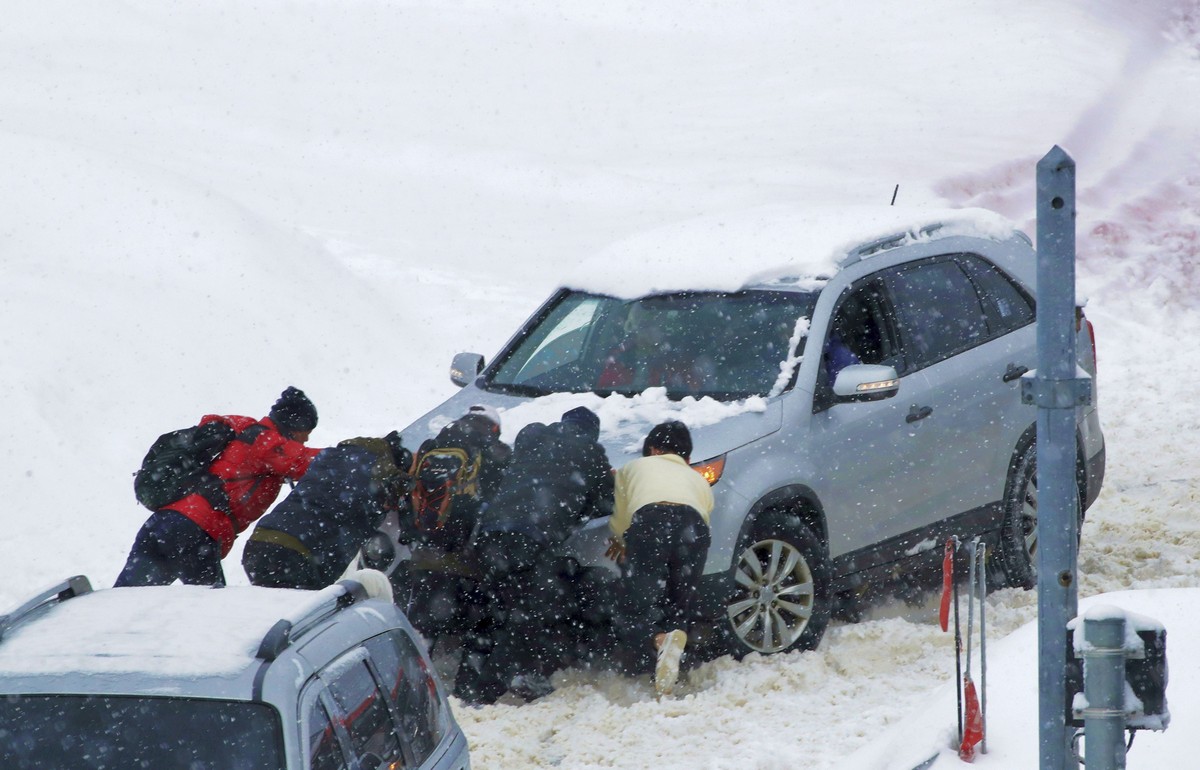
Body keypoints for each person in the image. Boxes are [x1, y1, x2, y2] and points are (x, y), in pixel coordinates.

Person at [453, 406, 614, 705]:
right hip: (530, 537)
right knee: (530, 615)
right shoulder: (591, 451)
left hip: (488, 534)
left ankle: (466, 682)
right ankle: (488, 692)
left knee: (493, 607)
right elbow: (605, 501)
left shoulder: (533, 440)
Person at [115, 387, 321, 588]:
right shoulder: (263, 440)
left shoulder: (246, 435)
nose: (307, 439)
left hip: (162, 523)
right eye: (307, 432)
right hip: (194, 530)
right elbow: (306, 461)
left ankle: (100, 613)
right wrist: (349, 453)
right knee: (210, 609)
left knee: (130, 599)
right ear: (294, 426)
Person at [607, 420, 714, 697]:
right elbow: (704, 515)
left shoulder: (632, 468)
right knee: (680, 602)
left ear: (652, 451)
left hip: (650, 521)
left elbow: (621, 516)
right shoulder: (698, 478)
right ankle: (676, 662)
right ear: (687, 458)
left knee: (634, 603)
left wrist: (619, 540)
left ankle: (658, 641)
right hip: (695, 530)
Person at [398, 404, 512, 645]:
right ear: (492, 428)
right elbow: (502, 496)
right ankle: (451, 658)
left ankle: (416, 652)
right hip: (460, 543)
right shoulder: (491, 451)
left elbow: (410, 489)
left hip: (425, 539)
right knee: (457, 608)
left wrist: (412, 531)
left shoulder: (432, 445)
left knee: (422, 611)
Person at [242, 432, 413, 590]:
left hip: (260, 542)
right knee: (308, 618)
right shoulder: (374, 472)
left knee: (273, 615)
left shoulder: (332, 458)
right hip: (295, 553)